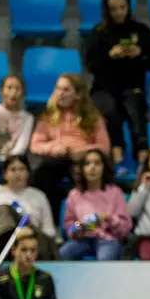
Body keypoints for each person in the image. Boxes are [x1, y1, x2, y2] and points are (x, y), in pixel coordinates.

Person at [85, 0, 150, 173]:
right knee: (110, 111)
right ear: (106, 10)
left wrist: (140, 52)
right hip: (104, 87)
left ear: (128, 6)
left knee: (136, 111)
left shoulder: (141, 31)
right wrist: (110, 55)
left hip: (132, 85)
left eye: (122, 8)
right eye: (113, 9)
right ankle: (117, 161)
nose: (118, 13)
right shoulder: (99, 33)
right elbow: (91, 65)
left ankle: (143, 162)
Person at [29, 73, 110, 225]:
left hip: (81, 159)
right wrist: (52, 147)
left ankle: (84, 223)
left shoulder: (93, 116)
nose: (60, 93)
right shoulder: (48, 115)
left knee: (83, 174)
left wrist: (86, 150)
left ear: (78, 94)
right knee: (42, 173)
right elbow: (35, 145)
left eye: (66, 90)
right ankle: (49, 223)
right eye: (58, 89)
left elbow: (104, 146)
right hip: (57, 158)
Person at [0, 155, 58, 261]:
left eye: (22, 169)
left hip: (31, 240)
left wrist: (28, 233)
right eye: (13, 169)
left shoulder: (38, 196)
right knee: (3, 210)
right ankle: (6, 251)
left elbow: (49, 230)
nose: (17, 174)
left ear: (28, 173)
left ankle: (11, 253)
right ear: (5, 174)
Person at [59, 149, 132, 260]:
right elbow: (69, 227)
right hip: (83, 239)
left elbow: (125, 227)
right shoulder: (74, 194)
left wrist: (107, 218)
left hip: (108, 239)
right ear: (82, 169)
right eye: (87, 163)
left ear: (104, 167)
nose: (92, 167)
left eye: (97, 163)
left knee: (105, 258)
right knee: (62, 254)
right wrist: (79, 227)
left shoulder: (115, 192)